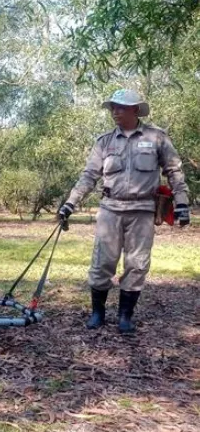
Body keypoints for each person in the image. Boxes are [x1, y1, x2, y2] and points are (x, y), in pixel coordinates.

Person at [58, 89, 190, 334]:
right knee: (102, 262)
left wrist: (182, 203)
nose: (115, 112)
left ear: (135, 110)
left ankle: (125, 316)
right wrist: (70, 203)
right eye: (112, 108)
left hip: (143, 210)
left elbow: (174, 171)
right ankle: (98, 313)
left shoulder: (157, 137)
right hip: (111, 209)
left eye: (120, 107)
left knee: (137, 264)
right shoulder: (105, 141)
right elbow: (89, 176)